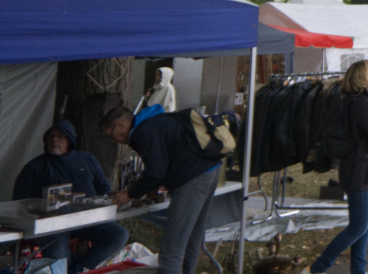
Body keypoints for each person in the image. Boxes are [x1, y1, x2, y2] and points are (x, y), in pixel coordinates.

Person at [296, 61, 368, 269]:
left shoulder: (352, 101)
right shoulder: (363, 104)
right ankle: (317, 267)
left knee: (364, 226)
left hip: (361, 169)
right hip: (362, 171)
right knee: (358, 226)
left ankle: (358, 268)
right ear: (364, 78)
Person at [101, 103, 223, 274]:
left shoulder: (143, 131)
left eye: (113, 135)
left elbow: (155, 173)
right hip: (210, 169)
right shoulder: (156, 120)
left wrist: (128, 194)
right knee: (192, 237)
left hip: (193, 176)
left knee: (172, 246)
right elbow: (165, 161)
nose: (115, 141)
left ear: (121, 124)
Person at [13, 121, 129, 274]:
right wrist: (39, 212)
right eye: (51, 136)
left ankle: (77, 269)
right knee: (57, 252)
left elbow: (104, 189)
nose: (55, 140)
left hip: (87, 220)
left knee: (119, 234)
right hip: (52, 226)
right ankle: (70, 269)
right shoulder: (35, 167)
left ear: (70, 140)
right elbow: (20, 201)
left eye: (61, 136)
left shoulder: (87, 159)